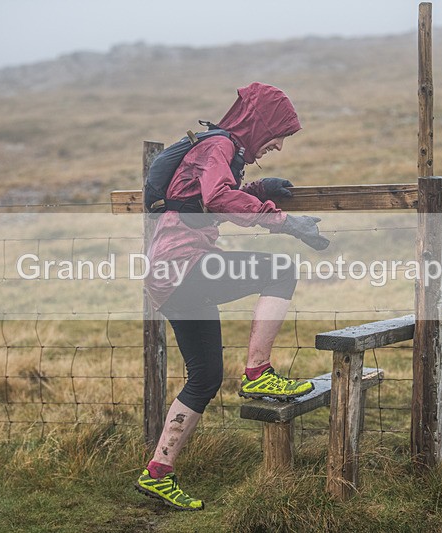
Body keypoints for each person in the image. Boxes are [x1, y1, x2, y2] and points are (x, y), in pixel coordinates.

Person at [134, 82, 330, 511]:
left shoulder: (220, 150)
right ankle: (259, 373)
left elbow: (200, 199)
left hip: (169, 278)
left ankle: (157, 473)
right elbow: (218, 197)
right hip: (183, 267)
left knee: (204, 379)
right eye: (278, 134)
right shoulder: (219, 145)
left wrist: (259, 190)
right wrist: (285, 223)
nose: (278, 145)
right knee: (281, 270)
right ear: (260, 124)